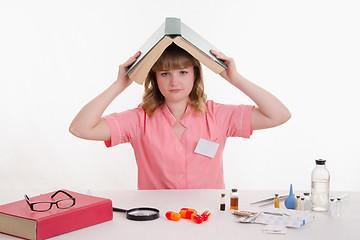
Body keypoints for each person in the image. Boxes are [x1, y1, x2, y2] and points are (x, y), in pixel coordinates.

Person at [69, 44, 291, 190]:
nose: (174, 82)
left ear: (195, 75)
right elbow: (80, 128)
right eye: (165, 74)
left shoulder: (218, 115)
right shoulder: (139, 119)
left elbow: (279, 115)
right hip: (156, 221)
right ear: (155, 79)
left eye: (183, 72)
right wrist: (120, 84)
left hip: (209, 220)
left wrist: (235, 78)